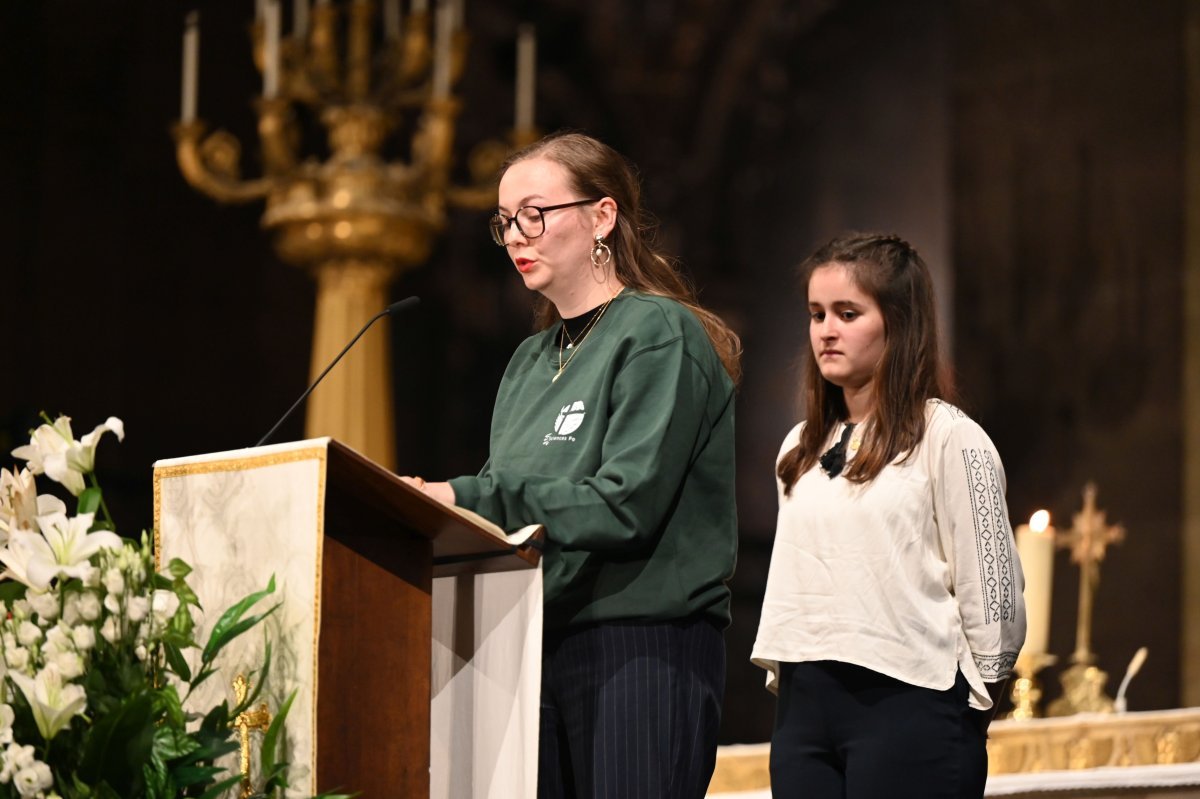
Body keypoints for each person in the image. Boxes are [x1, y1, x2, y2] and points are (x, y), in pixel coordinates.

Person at [405, 132, 742, 799]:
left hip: (642, 644)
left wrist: (463, 495)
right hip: (530, 642)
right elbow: (510, 516)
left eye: (535, 212)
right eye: (505, 222)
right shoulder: (529, 361)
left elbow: (627, 503)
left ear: (602, 216)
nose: (517, 236)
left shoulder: (658, 332)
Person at [750, 232, 1026, 798]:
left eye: (848, 313)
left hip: (910, 701)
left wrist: (972, 703)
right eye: (816, 313)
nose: (826, 330)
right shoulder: (799, 447)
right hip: (806, 704)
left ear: (898, 323)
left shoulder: (949, 438)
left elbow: (991, 586)